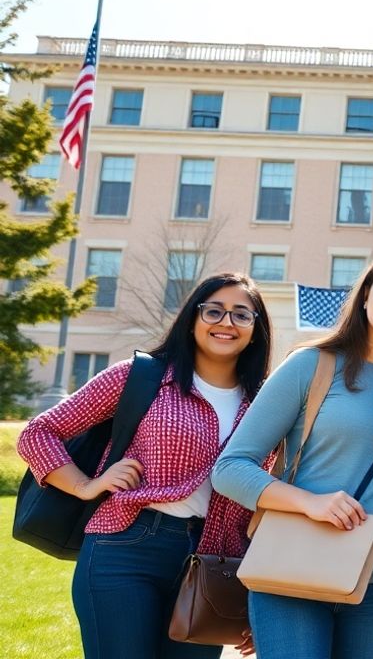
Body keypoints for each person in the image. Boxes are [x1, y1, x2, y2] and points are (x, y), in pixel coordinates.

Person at [18, 273, 273, 659]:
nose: (226, 322)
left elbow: (269, 498)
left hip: (214, 564)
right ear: (192, 319)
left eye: (241, 314)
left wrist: (256, 595)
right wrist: (86, 485)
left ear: (255, 330)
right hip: (126, 547)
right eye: (214, 311)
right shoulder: (141, 376)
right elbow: (39, 432)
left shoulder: (267, 403)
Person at [213, 249, 373, 659]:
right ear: (366, 294)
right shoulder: (311, 365)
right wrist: (310, 503)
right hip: (292, 566)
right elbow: (230, 469)